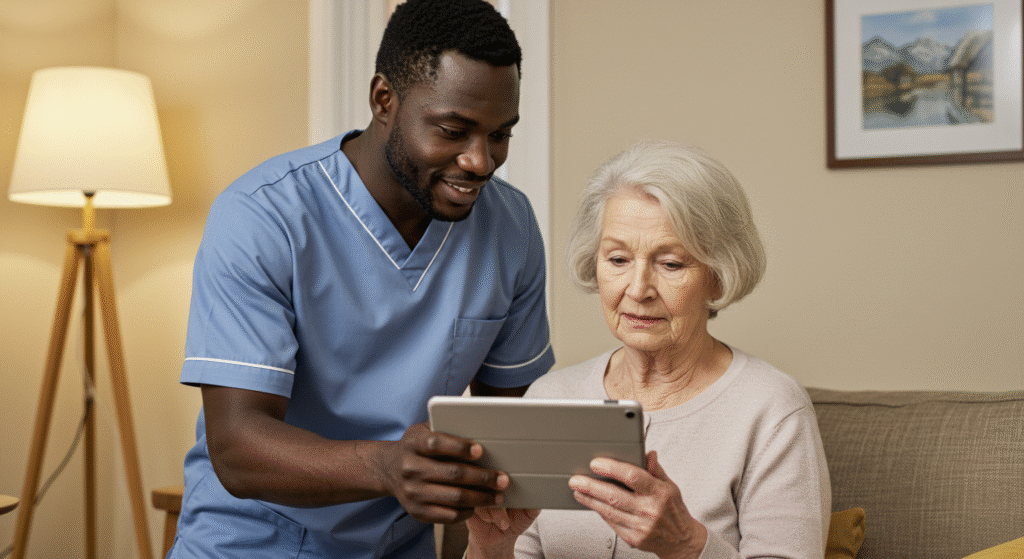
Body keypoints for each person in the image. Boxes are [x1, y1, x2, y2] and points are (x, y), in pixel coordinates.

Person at [170, 1, 554, 557]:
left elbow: (506, 432)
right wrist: (387, 466)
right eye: (453, 131)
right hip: (252, 542)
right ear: (383, 100)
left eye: (500, 135)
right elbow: (237, 447)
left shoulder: (509, 227)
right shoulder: (262, 216)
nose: (480, 161)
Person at [465, 141, 830, 559]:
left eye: (671, 264)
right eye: (618, 260)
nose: (638, 290)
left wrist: (688, 544)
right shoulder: (550, 397)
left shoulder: (772, 409)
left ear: (718, 274)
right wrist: (490, 547)